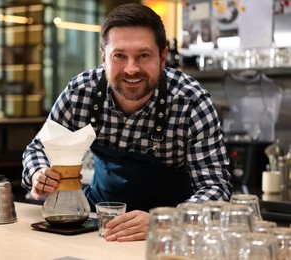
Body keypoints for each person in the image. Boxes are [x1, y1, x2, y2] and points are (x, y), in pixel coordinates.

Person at [22, 3, 232, 242]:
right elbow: (37, 149)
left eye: (143, 55)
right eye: (119, 56)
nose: (131, 69)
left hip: (169, 238)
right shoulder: (81, 92)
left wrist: (163, 222)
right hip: (99, 229)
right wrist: (39, 173)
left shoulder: (191, 102)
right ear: (104, 57)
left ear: (163, 57)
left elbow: (216, 190)